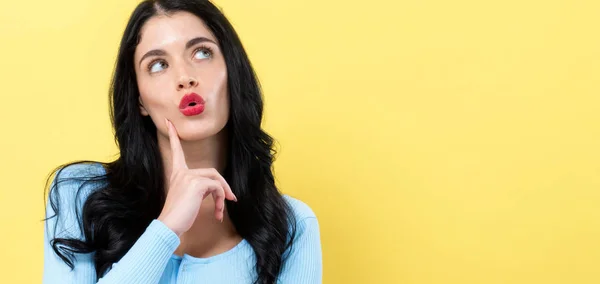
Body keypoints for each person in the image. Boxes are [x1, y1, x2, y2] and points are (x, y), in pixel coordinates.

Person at [42, 0, 322, 283]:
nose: (185, 77)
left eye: (202, 53)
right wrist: (165, 230)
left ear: (232, 70)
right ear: (139, 99)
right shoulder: (78, 193)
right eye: (158, 64)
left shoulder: (292, 227)